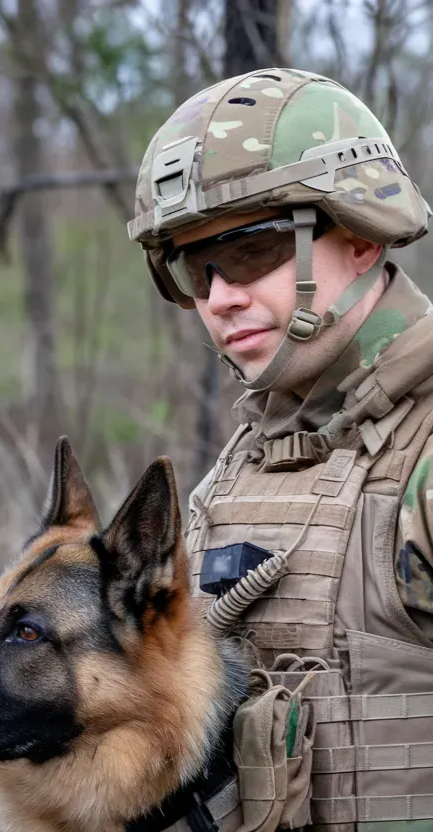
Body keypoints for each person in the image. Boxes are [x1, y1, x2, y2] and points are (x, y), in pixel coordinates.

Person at [128, 68, 433, 831]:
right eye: (196, 268)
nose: (221, 296)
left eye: (254, 248)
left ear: (360, 234)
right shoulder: (243, 468)